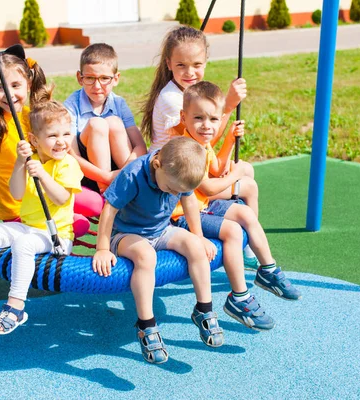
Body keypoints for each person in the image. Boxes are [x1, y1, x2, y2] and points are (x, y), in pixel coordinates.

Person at [0, 89, 84, 335]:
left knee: (23, 243)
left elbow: (62, 197)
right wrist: (21, 164)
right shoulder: (33, 161)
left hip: (57, 237)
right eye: (52, 135)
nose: (61, 140)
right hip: (30, 228)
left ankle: (16, 306)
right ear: (33, 139)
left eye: (66, 133)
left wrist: (42, 174)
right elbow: (17, 193)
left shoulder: (67, 164)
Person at [171, 81, 302, 330]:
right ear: (183, 117)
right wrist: (238, 173)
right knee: (232, 230)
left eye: (213, 119)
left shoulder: (202, 141)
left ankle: (268, 269)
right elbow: (209, 186)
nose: (206, 126)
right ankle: (239, 298)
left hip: (204, 206)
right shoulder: (185, 147)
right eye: (198, 118)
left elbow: (217, 169)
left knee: (244, 213)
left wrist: (229, 139)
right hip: (184, 216)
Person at [92, 137, 224, 364]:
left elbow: (190, 203)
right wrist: (103, 248)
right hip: (126, 234)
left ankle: (204, 309)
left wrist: (199, 236)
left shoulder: (177, 177)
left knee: (195, 246)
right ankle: (146, 325)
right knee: (146, 255)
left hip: (161, 230)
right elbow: (110, 209)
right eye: (172, 189)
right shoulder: (133, 174)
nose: (175, 193)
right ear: (156, 165)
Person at [140, 26, 260, 267]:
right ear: (169, 64)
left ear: (205, 62)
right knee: (247, 184)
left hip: (195, 164)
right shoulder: (172, 100)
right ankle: (248, 245)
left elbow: (205, 149)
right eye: (181, 65)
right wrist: (227, 106)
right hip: (176, 177)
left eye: (196, 64)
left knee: (246, 169)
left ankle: (247, 243)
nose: (190, 72)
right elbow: (198, 144)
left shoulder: (189, 92)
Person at [0, 44, 100, 240]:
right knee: (80, 225)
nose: (9, 94)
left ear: (28, 83)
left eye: (15, 85)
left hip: (45, 190)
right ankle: (62, 222)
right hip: (19, 210)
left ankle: (65, 216)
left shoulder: (31, 117)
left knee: (95, 203)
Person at [64, 43, 147, 194]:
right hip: (89, 174)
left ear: (116, 78)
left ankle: (128, 185)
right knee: (97, 124)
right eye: (90, 78)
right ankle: (106, 192)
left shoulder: (118, 103)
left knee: (113, 122)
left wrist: (124, 171)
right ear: (79, 78)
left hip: (119, 171)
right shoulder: (71, 105)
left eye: (104, 78)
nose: (97, 86)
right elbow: (72, 155)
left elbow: (140, 146)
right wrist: (106, 177)